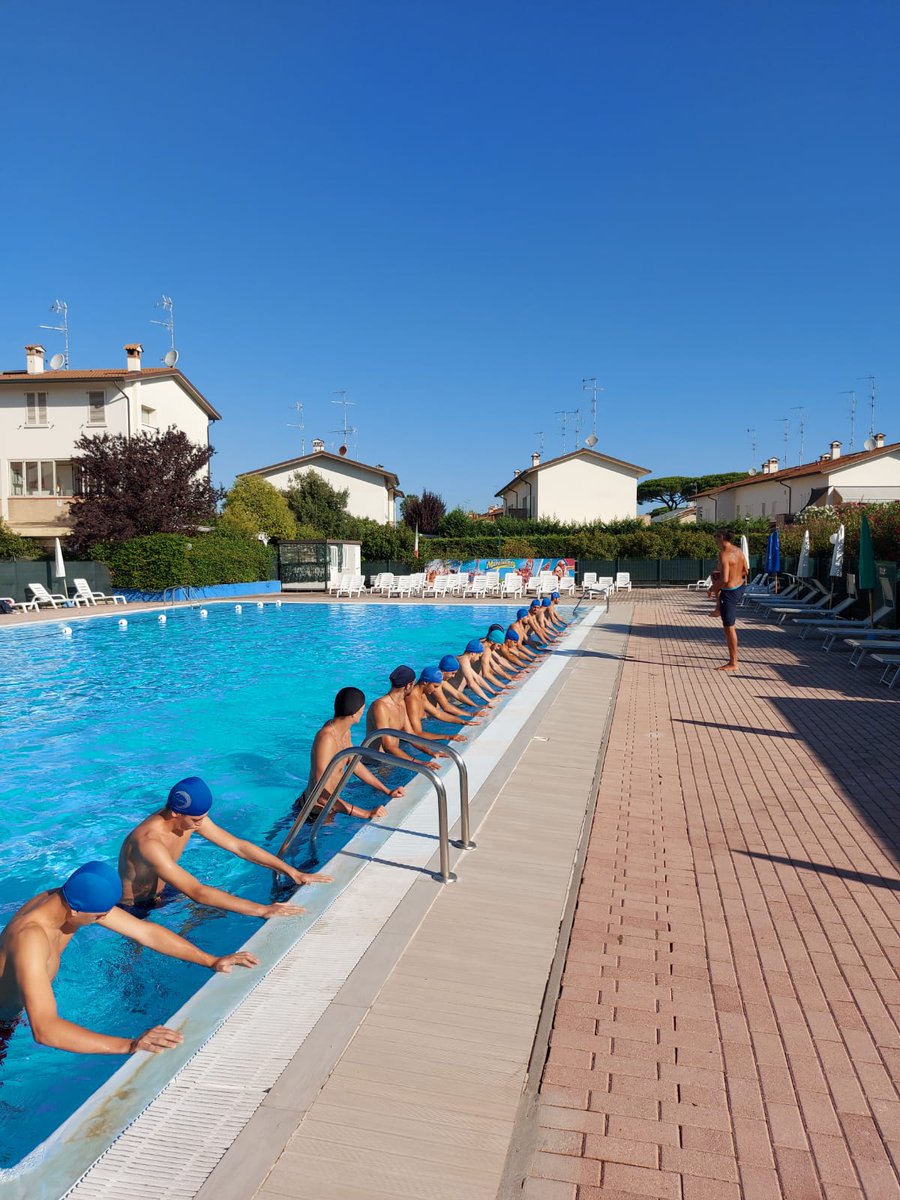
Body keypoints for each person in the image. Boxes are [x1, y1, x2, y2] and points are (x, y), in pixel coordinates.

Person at [0, 861, 258, 1056]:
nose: (102, 920)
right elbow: (45, 1030)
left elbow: (145, 933)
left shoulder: (67, 900)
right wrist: (131, 1045)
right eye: (99, 916)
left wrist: (211, 960)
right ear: (76, 909)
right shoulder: (30, 939)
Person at [119, 776, 332, 918]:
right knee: (138, 951)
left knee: (217, 910)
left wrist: (291, 871)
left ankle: (185, 931)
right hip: (135, 905)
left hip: (166, 889)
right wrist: (262, 909)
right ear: (175, 813)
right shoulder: (149, 843)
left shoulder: (191, 819)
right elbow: (197, 892)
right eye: (197, 819)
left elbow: (238, 846)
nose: (201, 824)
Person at [305, 687, 407, 822]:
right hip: (312, 814)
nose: (362, 712)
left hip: (331, 808)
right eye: (362, 709)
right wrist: (366, 814)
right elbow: (321, 794)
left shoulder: (343, 731)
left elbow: (355, 765)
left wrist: (387, 791)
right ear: (354, 713)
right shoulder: (326, 739)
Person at [366, 666, 443, 768]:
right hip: (373, 765)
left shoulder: (401, 703)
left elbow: (410, 735)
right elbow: (388, 745)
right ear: (409, 685)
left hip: (390, 761)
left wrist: (431, 752)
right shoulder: (380, 706)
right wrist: (418, 762)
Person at [712, 528, 746, 672]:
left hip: (729, 592)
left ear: (722, 538)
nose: (715, 539)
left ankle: (733, 663)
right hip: (739, 587)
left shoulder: (724, 554)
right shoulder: (739, 551)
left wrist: (711, 589)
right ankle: (718, 607)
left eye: (716, 537)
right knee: (716, 576)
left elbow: (724, 580)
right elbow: (745, 571)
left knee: (729, 628)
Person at [405, 667, 469, 740]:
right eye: (435, 686)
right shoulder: (412, 699)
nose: (435, 690)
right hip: (404, 741)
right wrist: (448, 737)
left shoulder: (421, 694)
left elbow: (437, 713)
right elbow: (417, 733)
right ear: (425, 683)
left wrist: (463, 721)